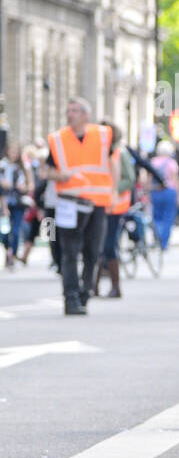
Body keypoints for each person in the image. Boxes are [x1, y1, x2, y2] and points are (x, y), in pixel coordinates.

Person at [44, 97, 118, 314]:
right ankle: (71, 299)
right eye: (68, 110)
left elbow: (112, 162)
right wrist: (60, 174)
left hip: (97, 202)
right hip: (70, 202)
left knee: (93, 252)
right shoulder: (58, 139)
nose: (70, 114)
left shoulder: (102, 135)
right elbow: (46, 172)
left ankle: (85, 293)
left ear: (85, 115)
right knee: (69, 251)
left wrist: (113, 191)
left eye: (75, 110)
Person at [96, 125, 133, 298]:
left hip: (115, 206)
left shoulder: (120, 152)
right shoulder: (98, 151)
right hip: (99, 204)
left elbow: (130, 178)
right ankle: (92, 286)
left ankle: (115, 286)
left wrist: (112, 192)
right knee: (97, 245)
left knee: (109, 245)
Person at [1, 141, 33, 268]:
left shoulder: (23, 167)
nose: (13, 154)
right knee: (4, 232)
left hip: (18, 203)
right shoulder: (2, 165)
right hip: (3, 203)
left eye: (16, 152)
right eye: (11, 151)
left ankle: (12, 255)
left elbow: (30, 186)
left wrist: (23, 187)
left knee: (15, 231)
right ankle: (7, 251)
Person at [148, 140, 179, 251]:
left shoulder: (153, 162)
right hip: (169, 192)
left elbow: (147, 179)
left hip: (155, 192)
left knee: (157, 217)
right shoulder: (171, 163)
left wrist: (149, 190)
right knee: (168, 218)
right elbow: (176, 180)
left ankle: (158, 237)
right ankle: (164, 242)